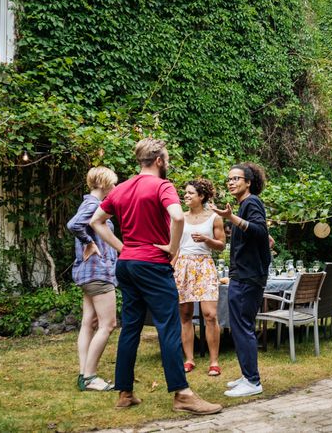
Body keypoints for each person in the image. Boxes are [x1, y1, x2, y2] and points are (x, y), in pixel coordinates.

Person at [89, 138, 221, 414]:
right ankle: (182, 394)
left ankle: (124, 392)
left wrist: (121, 247)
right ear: (160, 160)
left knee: (131, 327)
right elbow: (178, 217)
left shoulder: (122, 188)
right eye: (167, 158)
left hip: (126, 265)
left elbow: (95, 222)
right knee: (169, 326)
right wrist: (173, 248)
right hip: (152, 264)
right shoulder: (162, 186)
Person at [212, 163, 271, 397]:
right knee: (239, 327)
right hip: (242, 275)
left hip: (248, 277)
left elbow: (258, 229)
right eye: (229, 179)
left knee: (243, 327)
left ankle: (253, 382)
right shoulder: (244, 205)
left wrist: (232, 218)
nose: (231, 182)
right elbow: (260, 235)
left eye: (237, 178)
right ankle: (247, 375)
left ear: (248, 182)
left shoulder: (251, 202)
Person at [67, 166, 119, 392]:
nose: (115, 188)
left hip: (89, 273)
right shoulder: (93, 205)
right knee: (108, 324)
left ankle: (83, 374)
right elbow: (74, 225)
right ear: (106, 184)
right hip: (98, 273)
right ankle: (90, 377)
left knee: (89, 322)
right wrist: (89, 241)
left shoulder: (88, 203)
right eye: (114, 184)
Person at [175, 179, 226, 377]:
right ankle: (189, 359)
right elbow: (175, 245)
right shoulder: (179, 217)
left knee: (210, 315)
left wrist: (207, 240)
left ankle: (214, 362)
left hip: (205, 266)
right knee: (185, 315)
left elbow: (221, 245)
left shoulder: (214, 217)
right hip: (183, 266)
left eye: (190, 193)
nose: (186, 196)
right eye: (185, 193)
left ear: (201, 196)